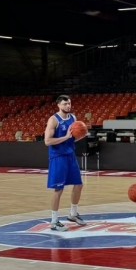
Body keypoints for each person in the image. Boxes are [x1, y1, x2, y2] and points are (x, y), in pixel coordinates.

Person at [44, 95, 86, 231]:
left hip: (70, 155)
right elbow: (47, 141)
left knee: (79, 185)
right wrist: (66, 137)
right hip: (58, 157)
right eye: (65, 104)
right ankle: (54, 221)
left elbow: (72, 139)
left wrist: (80, 135)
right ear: (58, 105)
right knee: (58, 189)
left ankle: (73, 214)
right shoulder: (53, 120)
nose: (68, 106)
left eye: (69, 103)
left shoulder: (73, 118)